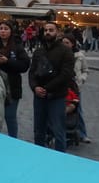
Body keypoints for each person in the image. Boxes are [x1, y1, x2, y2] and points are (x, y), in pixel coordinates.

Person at [28, 21, 76, 152]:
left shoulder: (65, 51)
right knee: (38, 130)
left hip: (56, 96)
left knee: (58, 130)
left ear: (57, 32)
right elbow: (32, 72)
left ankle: (60, 160)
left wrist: (46, 88)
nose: (48, 32)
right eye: (46, 30)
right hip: (39, 97)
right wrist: (35, 87)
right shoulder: (39, 51)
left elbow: (65, 75)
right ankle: (39, 156)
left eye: (51, 30)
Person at [0, 19, 30, 138]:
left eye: (6, 29)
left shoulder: (17, 46)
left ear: (11, 31)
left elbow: (24, 65)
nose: (3, 31)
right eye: (1, 29)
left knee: (10, 116)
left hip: (12, 86)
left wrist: (7, 61)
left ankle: (13, 139)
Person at [61, 34, 91, 143]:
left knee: (78, 110)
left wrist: (81, 79)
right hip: (61, 85)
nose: (64, 45)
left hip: (75, 87)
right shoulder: (59, 54)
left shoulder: (79, 56)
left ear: (72, 44)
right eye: (63, 42)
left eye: (67, 43)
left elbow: (85, 70)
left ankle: (82, 134)